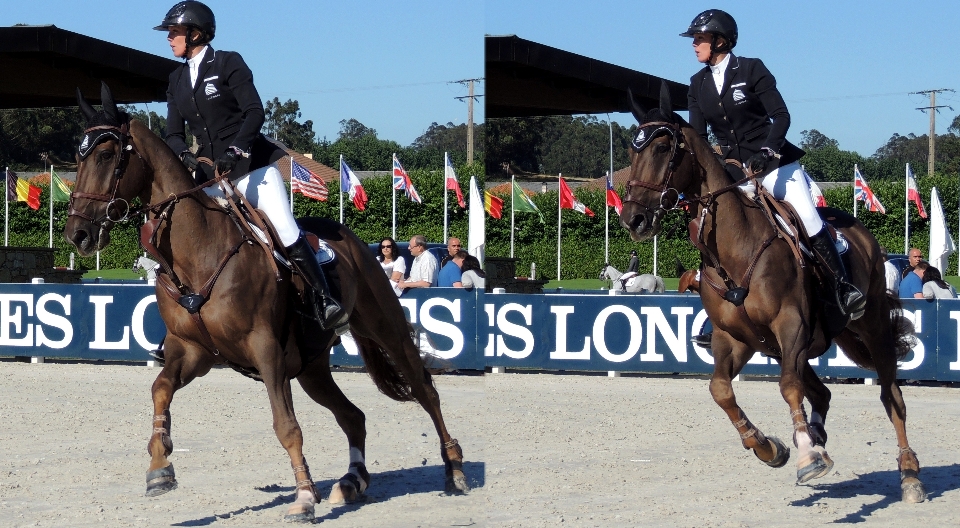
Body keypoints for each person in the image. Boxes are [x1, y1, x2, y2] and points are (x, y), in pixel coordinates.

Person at [154, 1, 345, 331]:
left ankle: (324, 299)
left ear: (195, 34)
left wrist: (236, 149)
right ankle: (185, 323)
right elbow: (172, 133)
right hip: (207, 176)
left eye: (175, 31)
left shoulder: (228, 62)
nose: (169, 37)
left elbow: (255, 112)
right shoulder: (176, 79)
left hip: (251, 167)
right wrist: (184, 154)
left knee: (284, 229)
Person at [681, 9, 864, 317]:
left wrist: (768, 150)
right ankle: (720, 314)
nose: (694, 44)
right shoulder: (696, 84)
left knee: (807, 217)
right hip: (733, 170)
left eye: (700, 38)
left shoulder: (752, 69)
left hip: (775, 164)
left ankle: (842, 288)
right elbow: (698, 138)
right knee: (712, 228)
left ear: (721, 41)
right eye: (695, 39)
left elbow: (781, 116)